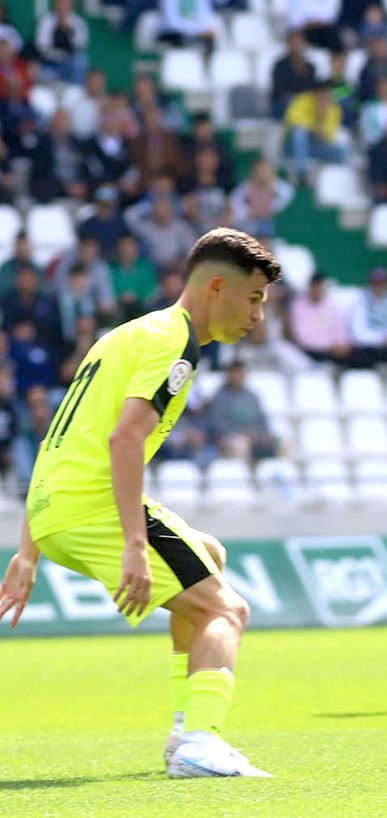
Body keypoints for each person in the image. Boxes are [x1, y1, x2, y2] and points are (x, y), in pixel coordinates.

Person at [0, 228, 282, 779]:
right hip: (93, 506)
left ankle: (184, 731)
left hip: (58, 509)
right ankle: (202, 742)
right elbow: (124, 440)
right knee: (228, 610)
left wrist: (29, 550)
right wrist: (134, 543)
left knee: (209, 555)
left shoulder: (127, 335)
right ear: (216, 287)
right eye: (253, 300)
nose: (258, 318)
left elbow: (57, 438)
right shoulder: (174, 343)